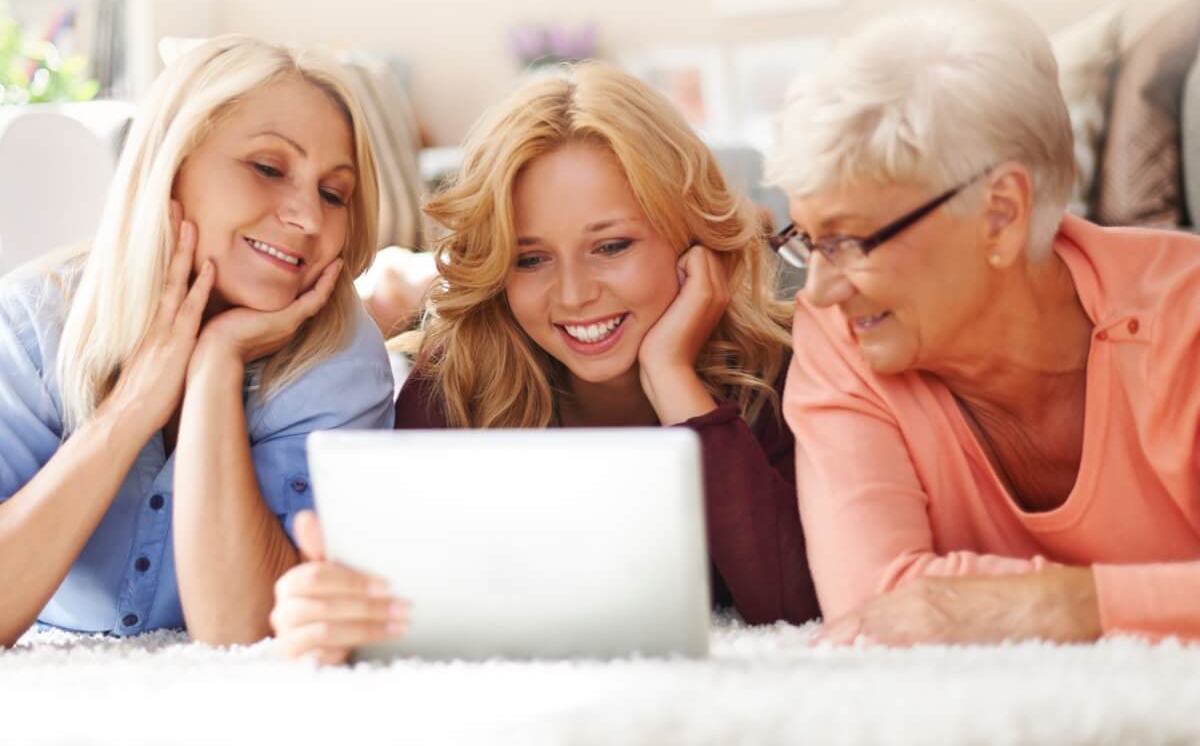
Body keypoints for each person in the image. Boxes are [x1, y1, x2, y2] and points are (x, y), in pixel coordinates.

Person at [271, 62, 818, 662]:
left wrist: (674, 380)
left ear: (692, 238)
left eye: (611, 247)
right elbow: (403, 608)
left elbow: (793, 606)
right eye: (531, 259)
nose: (574, 294)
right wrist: (326, 612)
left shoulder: (785, 373)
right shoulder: (456, 384)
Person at [767, 0, 1200, 646]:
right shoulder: (844, 336)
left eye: (850, 241)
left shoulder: (1182, 313)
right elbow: (870, 603)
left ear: (999, 212)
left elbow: (915, 608)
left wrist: (1061, 605)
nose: (821, 288)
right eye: (808, 238)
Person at [0, 35, 395, 648]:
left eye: (332, 193)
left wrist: (215, 364)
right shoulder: (30, 328)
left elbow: (244, 635)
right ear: (171, 165)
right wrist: (130, 411)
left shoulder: (338, 359)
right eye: (268, 168)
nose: (308, 219)